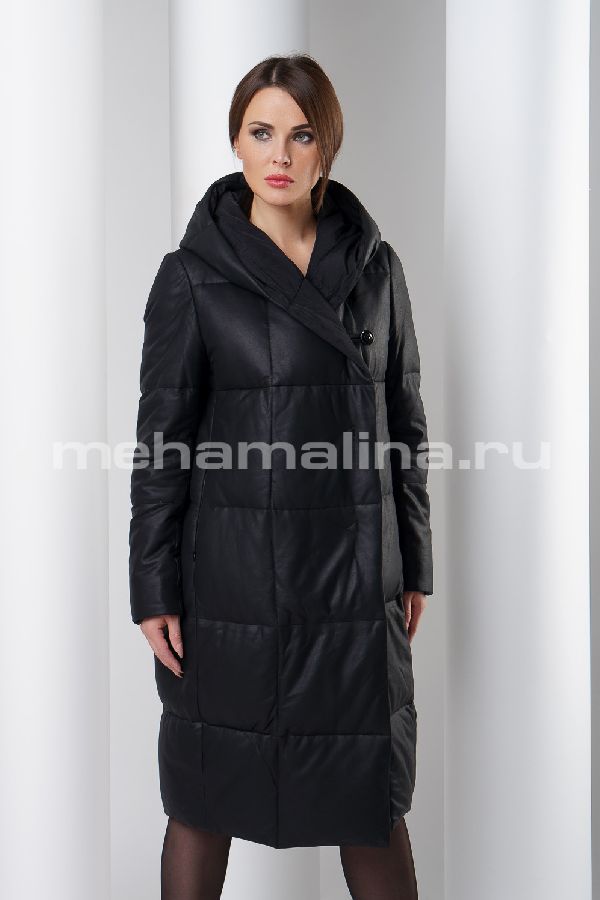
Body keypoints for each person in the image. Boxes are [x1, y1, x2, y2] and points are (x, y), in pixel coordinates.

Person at [129, 53, 434, 899]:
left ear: (326, 146)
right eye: (261, 132)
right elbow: (161, 447)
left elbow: (406, 427)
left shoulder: (376, 267)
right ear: (235, 140)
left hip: (354, 588)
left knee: (371, 800)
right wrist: (152, 589)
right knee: (203, 797)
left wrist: (413, 564)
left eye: (301, 135)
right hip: (232, 590)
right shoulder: (192, 275)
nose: (280, 154)